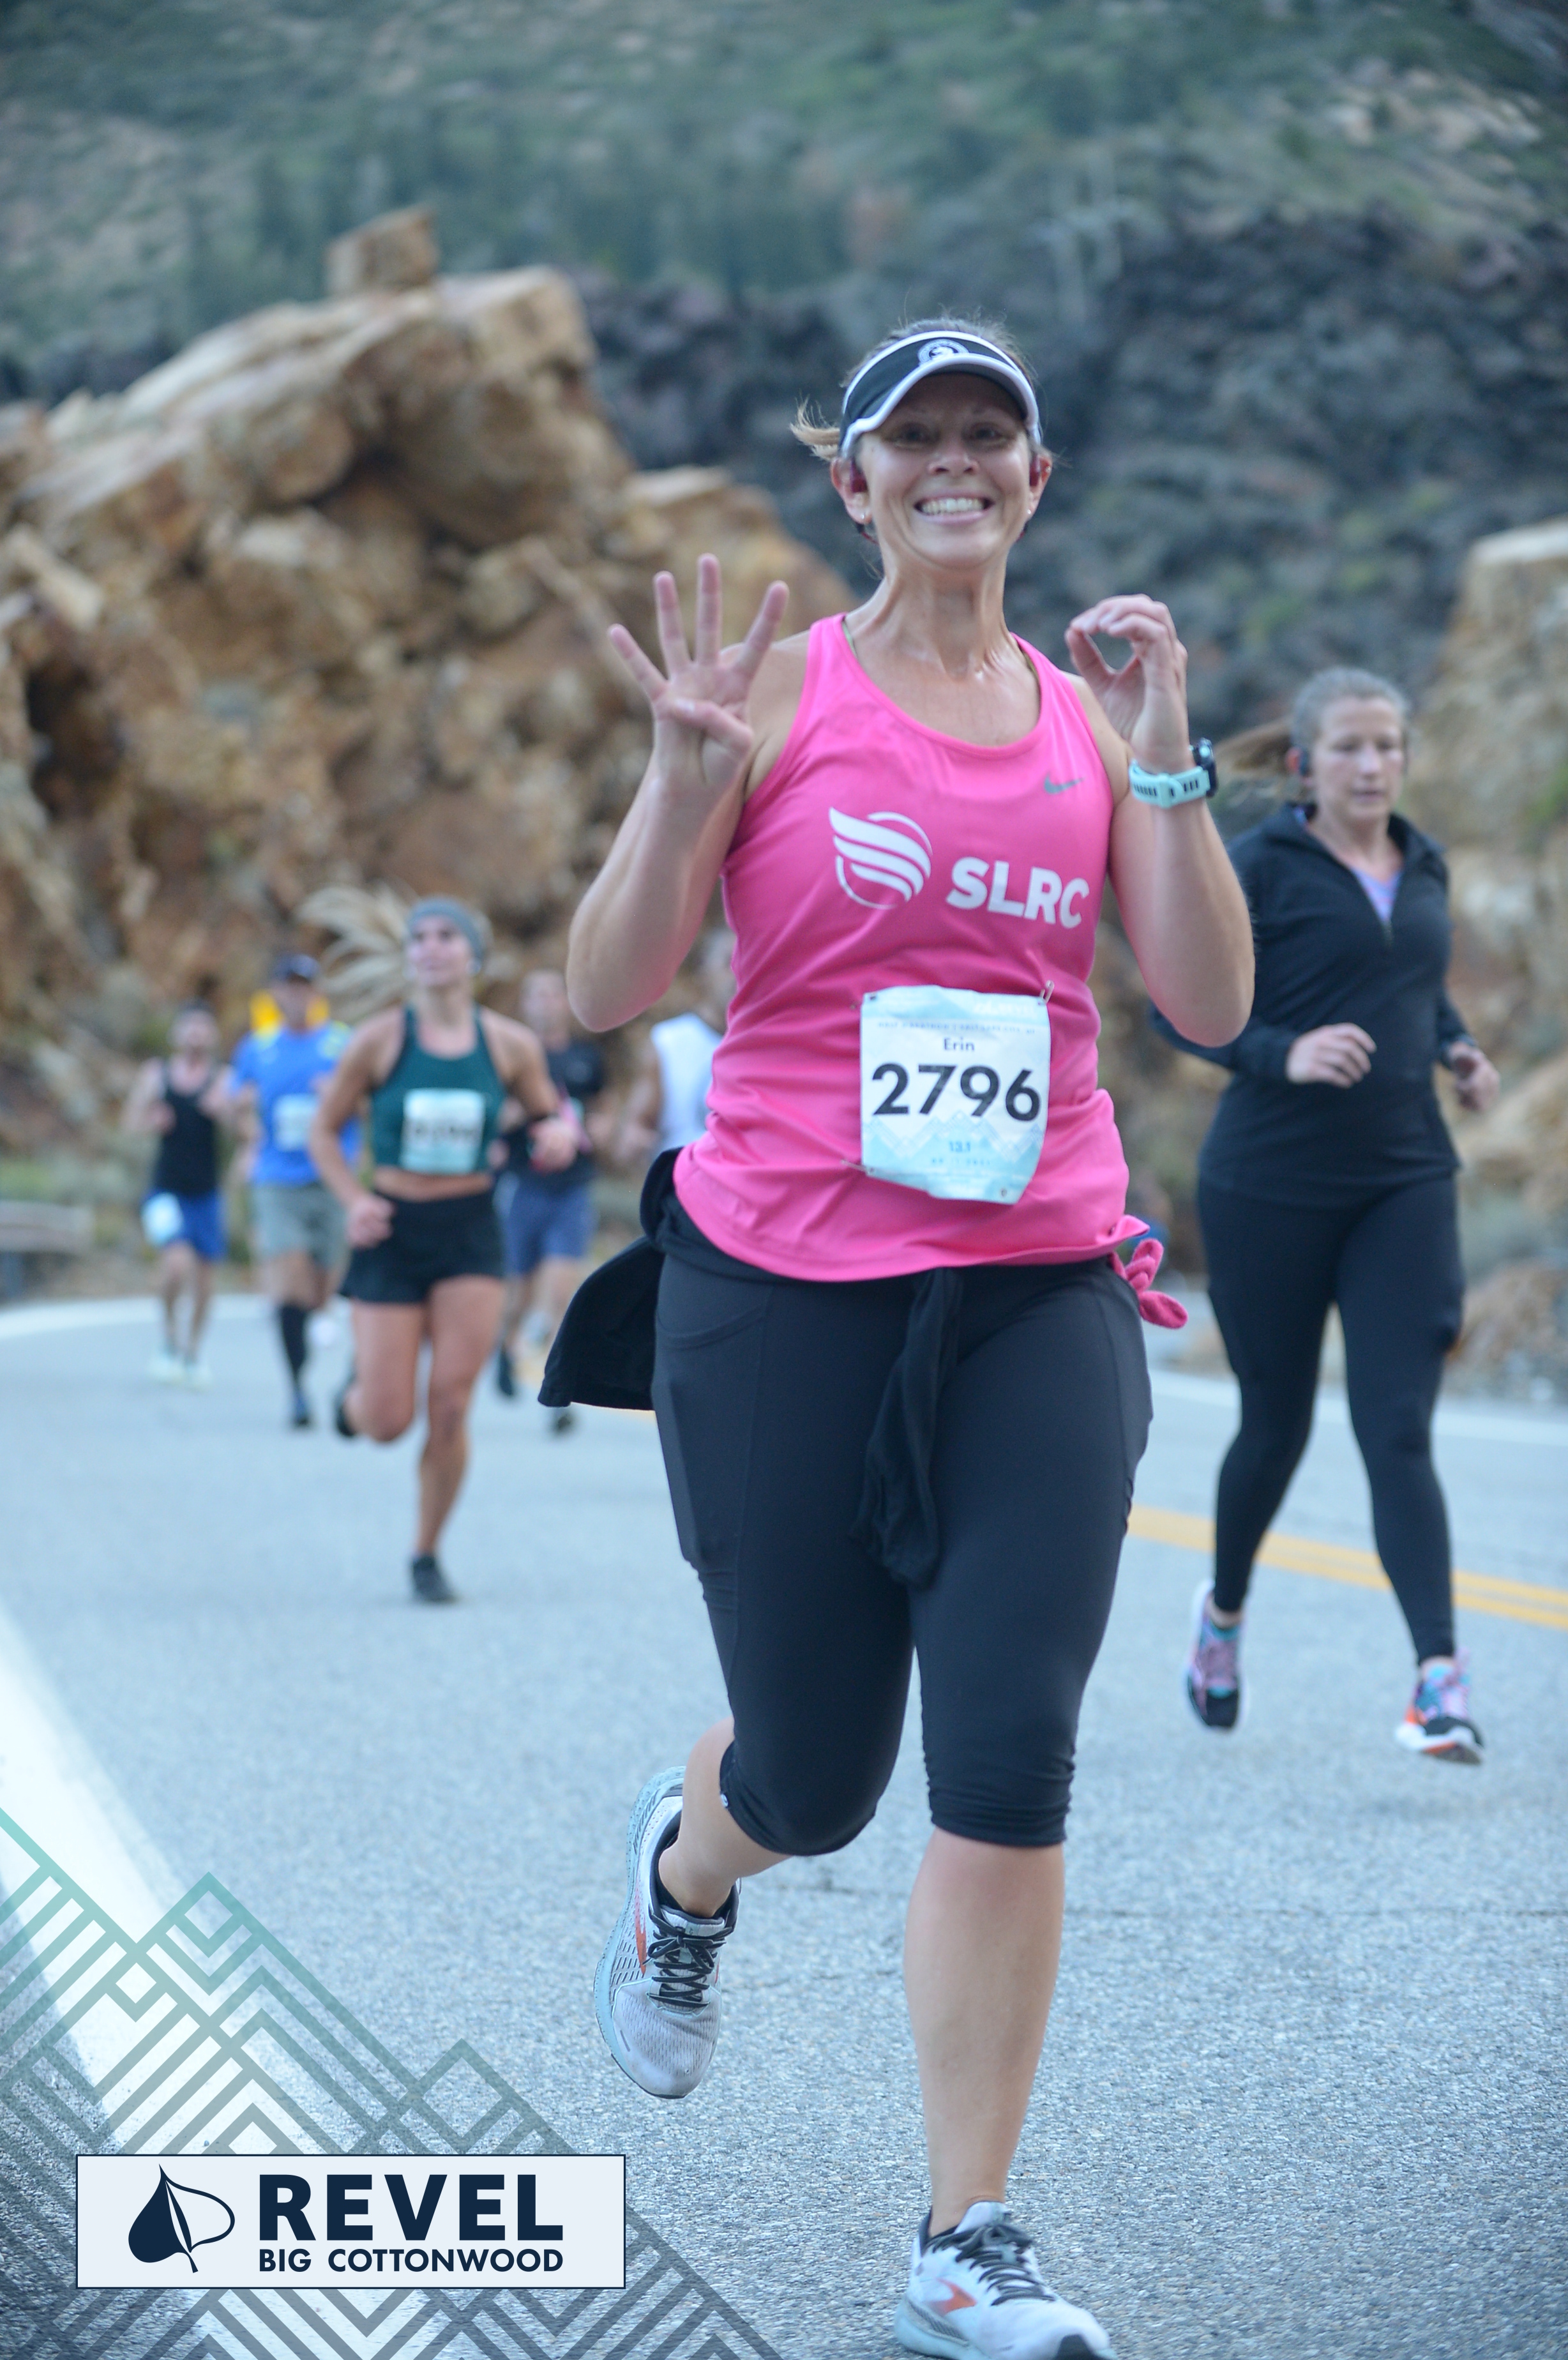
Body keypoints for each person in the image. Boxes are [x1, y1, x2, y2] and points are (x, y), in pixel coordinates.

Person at [556, 321, 1253, 2359]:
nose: (955, 463)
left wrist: (1167, 758)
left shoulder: (1084, 722)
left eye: (988, 436)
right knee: (814, 1774)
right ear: (848, 478)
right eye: (912, 437)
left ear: (1034, 477)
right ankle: (688, 1866)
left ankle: (965, 2237)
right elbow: (608, 986)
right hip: (782, 1289)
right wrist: (678, 780)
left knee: (1007, 1760)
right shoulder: (773, 692)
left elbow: (1206, 1002)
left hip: (1040, 1281)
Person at [1152, 668, 1500, 1764]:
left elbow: (1415, 985)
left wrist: (1456, 1048)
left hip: (1404, 1177)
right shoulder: (1256, 864)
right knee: (1277, 1425)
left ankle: (1437, 1681)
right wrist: (1282, 1052)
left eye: (1387, 745)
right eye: (1350, 746)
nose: (1372, 765)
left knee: (1397, 1426)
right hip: (1270, 1184)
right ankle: (1222, 1618)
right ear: (1304, 764)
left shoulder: (1423, 861)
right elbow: (1180, 1005)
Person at [307, 898, 578, 1604]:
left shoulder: (509, 1045)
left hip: (469, 1230)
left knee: (451, 1406)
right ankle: (355, 1400)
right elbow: (323, 1131)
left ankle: (425, 1552)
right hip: (393, 1231)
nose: (430, 947)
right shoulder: (379, 1041)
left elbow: (547, 1116)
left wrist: (555, 1135)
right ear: (407, 957)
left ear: (474, 956)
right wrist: (354, 1200)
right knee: (387, 1422)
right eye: (419, 938)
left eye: (446, 936)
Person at [227, 954, 354, 1428]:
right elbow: (237, 1105)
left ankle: (316, 1324)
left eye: (305, 986)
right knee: (290, 1278)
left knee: (324, 1285)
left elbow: (373, 1102)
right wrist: (247, 1126)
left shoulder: (343, 1044)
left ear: (316, 993)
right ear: (276, 994)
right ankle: (297, 1389)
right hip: (277, 1179)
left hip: (331, 1176)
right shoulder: (257, 1048)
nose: (297, 994)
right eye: (289, 986)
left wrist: (340, 1097)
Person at [493, 967, 607, 1421]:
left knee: (561, 1290)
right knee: (518, 1291)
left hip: (571, 1188)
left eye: (553, 995)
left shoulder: (585, 1058)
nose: (545, 1003)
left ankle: (558, 1397)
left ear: (567, 1003)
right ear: (525, 1005)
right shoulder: (512, 1057)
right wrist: (516, 1114)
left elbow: (602, 1106)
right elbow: (494, 1116)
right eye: (536, 995)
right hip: (525, 1186)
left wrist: (599, 1128)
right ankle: (505, 1345)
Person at [123, 1004, 232, 1388]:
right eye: (189, 1026)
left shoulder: (223, 1079)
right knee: (175, 1265)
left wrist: (225, 1112)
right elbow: (130, 1122)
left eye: (203, 1027)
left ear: (213, 1035)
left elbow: (248, 1129)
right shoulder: (157, 1075)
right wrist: (150, 1120)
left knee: (205, 1281)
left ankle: (194, 1352)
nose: (196, 1034)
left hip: (207, 1193)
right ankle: (169, 1338)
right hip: (165, 1191)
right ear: (176, 1034)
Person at [614, 927, 735, 1165]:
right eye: (727, 963)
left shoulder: (770, 1043)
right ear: (703, 971)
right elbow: (635, 1126)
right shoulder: (668, 1042)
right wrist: (633, 1138)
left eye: (746, 962)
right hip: (681, 1181)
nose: (737, 973)